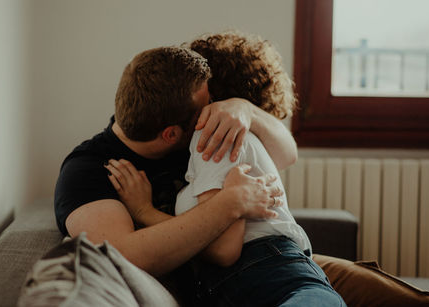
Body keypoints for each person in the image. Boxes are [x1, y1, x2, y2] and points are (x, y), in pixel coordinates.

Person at [107, 31, 345, 306]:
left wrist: (144, 212)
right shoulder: (229, 135)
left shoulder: (216, 132)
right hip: (266, 277)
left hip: (275, 278)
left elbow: (223, 250)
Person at [54, 46, 298, 282]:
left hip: (286, 258)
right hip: (246, 278)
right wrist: (232, 202)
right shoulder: (86, 172)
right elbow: (123, 254)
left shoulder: (190, 130)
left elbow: (287, 155)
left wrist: (246, 109)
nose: (214, 107)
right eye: (208, 102)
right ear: (171, 134)